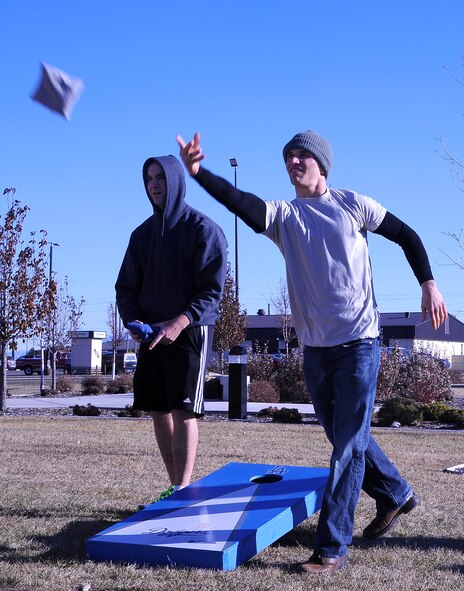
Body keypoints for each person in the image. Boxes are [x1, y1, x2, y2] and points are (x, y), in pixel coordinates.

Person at [176, 130, 448, 573]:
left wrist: (429, 283)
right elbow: (241, 202)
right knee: (345, 436)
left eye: (303, 155)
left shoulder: (352, 204)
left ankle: (331, 547)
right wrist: (200, 173)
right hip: (315, 349)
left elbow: (407, 235)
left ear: (322, 164)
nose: (294, 162)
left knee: (346, 447)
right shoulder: (284, 217)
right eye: (288, 157)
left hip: (360, 342)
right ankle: (397, 493)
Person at [115, 154, 227, 504]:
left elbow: (212, 290)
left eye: (160, 177)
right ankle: (176, 487)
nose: (154, 184)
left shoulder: (204, 230)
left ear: (176, 181)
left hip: (190, 331)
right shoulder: (141, 235)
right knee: (158, 409)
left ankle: (184, 488)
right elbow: (126, 288)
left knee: (183, 410)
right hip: (150, 336)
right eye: (149, 178)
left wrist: (180, 321)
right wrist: (133, 322)